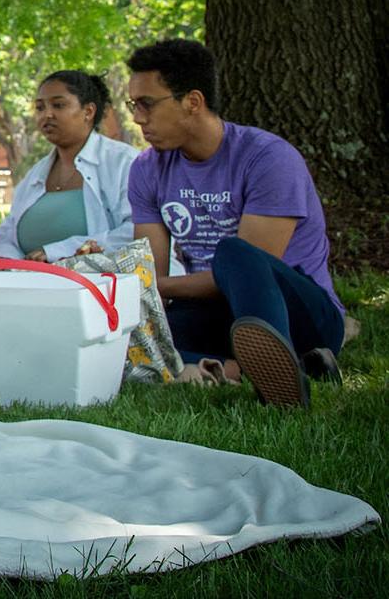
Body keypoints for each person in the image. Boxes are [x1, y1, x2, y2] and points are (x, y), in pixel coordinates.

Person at [124, 38, 343, 407]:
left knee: (234, 254)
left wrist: (155, 286)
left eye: (146, 104)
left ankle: (280, 372)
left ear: (192, 102)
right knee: (130, 339)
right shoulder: (147, 170)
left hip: (301, 314)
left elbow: (250, 270)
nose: (137, 117)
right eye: (133, 105)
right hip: (217, 315)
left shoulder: (268, 158)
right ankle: (275, 369)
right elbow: (152, 272)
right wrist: (145, 296)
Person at [0, 70, 142, 263]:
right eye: (40, 108)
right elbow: (7, 233)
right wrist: (8, 263)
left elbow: (137, 231)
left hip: (102, 286)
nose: (47, 114)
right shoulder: (36, 173)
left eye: (58, 105)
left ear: (88, 111)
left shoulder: (124, 162)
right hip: (30, 283)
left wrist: (59, 251)